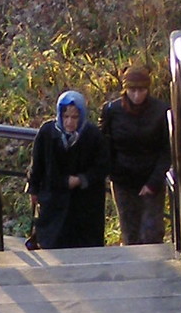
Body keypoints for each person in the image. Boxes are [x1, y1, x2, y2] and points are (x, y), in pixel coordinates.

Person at [26, 90, 107, 249]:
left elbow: (102, 166)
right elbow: (37, 164)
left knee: (84, 248)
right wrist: (33, 189)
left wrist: (81, 179)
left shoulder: (93, 135)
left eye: (75, 117)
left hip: (85, 204)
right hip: (54, 198)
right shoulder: (47, 133)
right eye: (66, 117)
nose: (69, 122)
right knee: (53, 244)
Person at [101, 64, 171, 244]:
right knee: (129, 231)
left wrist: (154, 182)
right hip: (123, 180)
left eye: (141, 90)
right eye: (132, 90)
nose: (137, 95)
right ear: (125, 90)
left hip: (151, 177)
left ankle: (155, 269)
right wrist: (113, 173)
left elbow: (166, 149)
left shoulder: (161, 111)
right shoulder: (112, 111)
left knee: (152, 232)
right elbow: (105, 145)